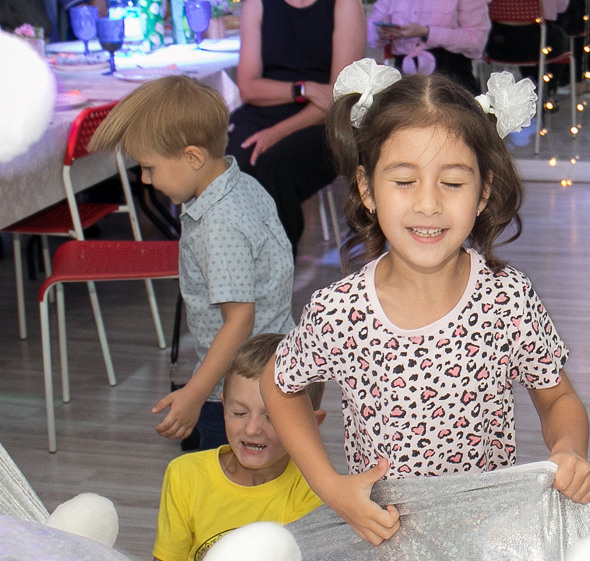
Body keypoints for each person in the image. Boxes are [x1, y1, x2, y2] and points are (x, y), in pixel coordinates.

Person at [263, 62, 590, 546]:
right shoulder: (339, 311)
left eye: (453, 182)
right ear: (367, 189)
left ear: (483, 192)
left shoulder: (507, 299)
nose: (428, 204)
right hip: (386, 549)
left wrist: (569, 450)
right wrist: (332, 488)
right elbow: (278, 385)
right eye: (404, 181)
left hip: (487, 541)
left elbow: (559, 398)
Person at [88, 76, 296, 451]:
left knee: (229, 489)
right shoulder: (242, 184)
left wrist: (195, 393)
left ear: (193, 157)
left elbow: (239, 321)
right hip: (277, 364)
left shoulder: (219, 226)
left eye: (149, 168)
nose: (147, 180)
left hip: (242, 390)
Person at [153, 333, 325, 561]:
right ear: (223, 408)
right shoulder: (184, 475)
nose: (252, 429)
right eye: (239, 413)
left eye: (272, 417)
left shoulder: (315, 491)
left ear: (312, 424)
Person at [226, 0, 365, 255]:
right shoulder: (256, 4)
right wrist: (305, 89)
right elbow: (248, 88)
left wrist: (278, 132)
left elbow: (339, 97)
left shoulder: (344, 4)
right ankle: (228, 271)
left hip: (324, 120)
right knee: (232, 165)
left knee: (275, 165)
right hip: (266, 108)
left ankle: (272, 276)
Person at [367, 0, 488, 97]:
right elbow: (371, 29)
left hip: (451, 73)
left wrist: (427, 32)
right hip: (403, 78)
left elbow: (476, 41)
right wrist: (381, 32)